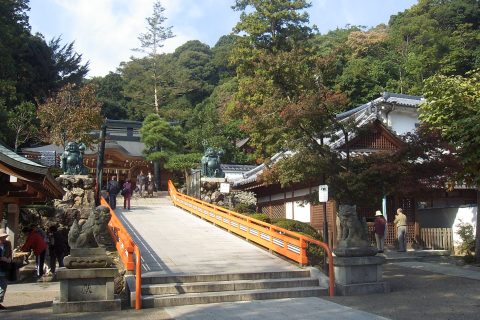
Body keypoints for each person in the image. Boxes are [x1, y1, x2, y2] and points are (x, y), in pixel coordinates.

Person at [0, 228, 12, 310]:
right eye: (2, 237)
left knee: (3, 285)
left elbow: (10, 252)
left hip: (4, 267)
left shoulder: (8, 243)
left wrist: (9, 259)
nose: (3, 238)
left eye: (4, 237)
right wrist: (2, 258)